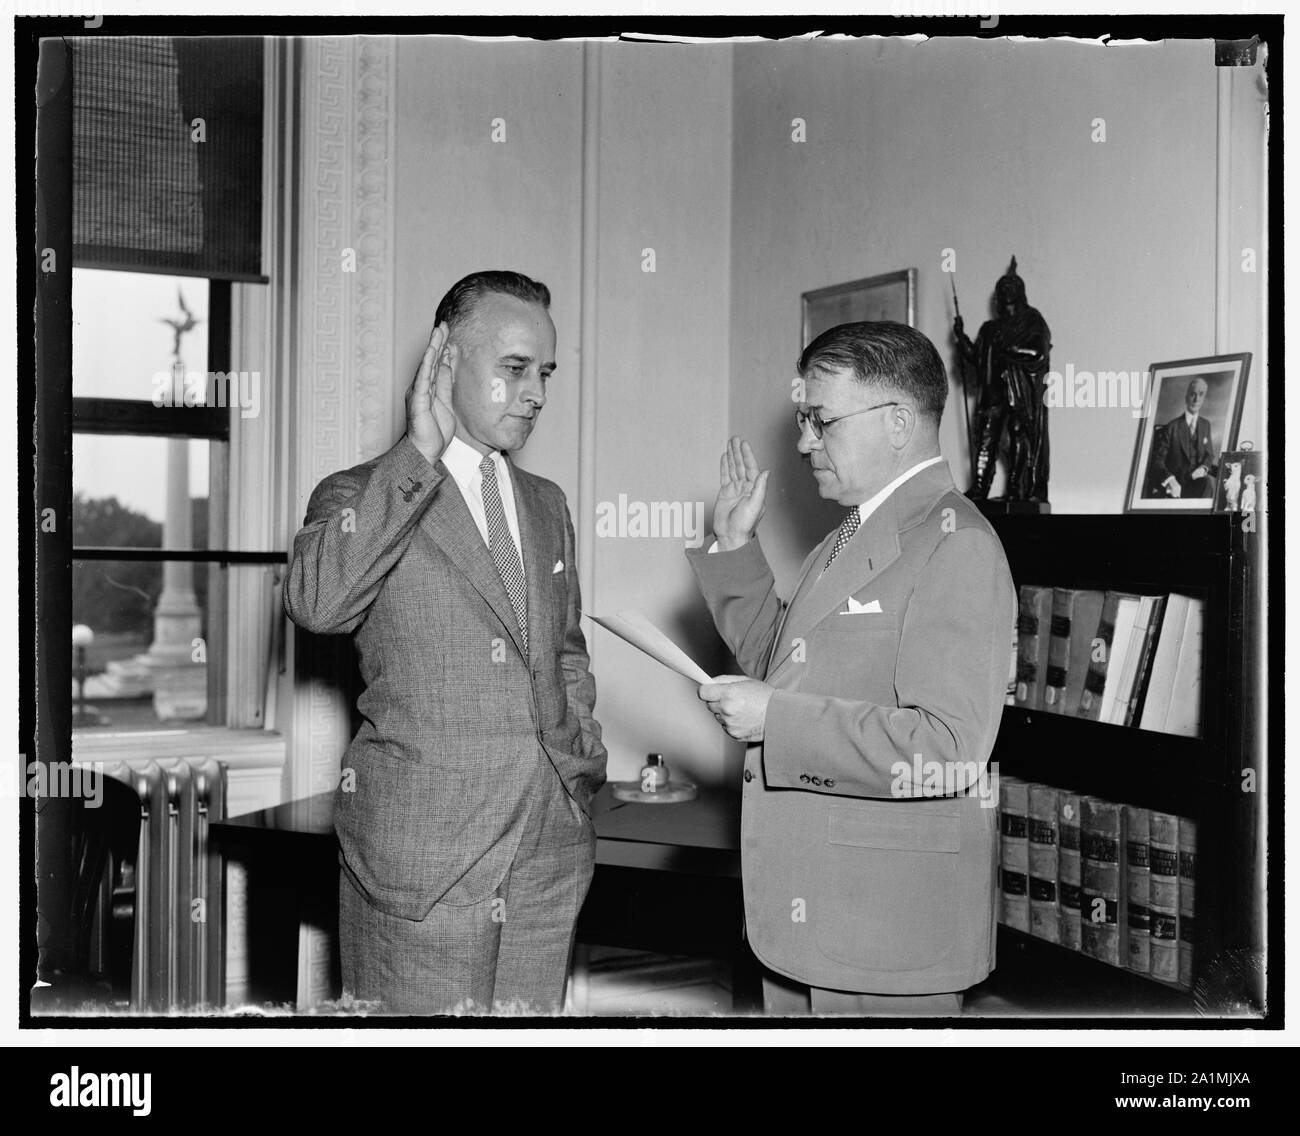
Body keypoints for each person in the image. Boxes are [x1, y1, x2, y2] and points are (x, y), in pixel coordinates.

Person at [284, 270, 606, 1014]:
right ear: (447, 359)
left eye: (546, 374)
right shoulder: (356, 492)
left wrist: (578, 764)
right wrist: (417, 458)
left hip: (547, 853)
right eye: (516, 369)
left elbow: (565, 651)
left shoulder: (547, 504)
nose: (537, 395)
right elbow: (317, 604)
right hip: (423, 861)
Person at [687, 321, 1016, 1015]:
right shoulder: (850, 537)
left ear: (898, 422)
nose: (804, 441)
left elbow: (949, 751)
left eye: (820, 420)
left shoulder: (957, 545)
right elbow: (786, 665)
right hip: (808, 912)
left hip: (884, 933)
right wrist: (736, 548)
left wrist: (776, 718)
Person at [953, 257, 1052, 501]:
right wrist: (961, 337)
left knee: (1019, 436)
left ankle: (1016, 490)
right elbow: (976, 359)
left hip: (1018, 393)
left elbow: (1038, 352)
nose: (1007, 292)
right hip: (992, 395)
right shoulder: (989, 329)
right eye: (1003, 288)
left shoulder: (1031, 320)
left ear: (1021, 292)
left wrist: (1007, 348)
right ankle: (979, 488)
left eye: (1012, 287)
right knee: (986, 441)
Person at [1151, 376, 1216, 498]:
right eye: (1193, 394)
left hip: (1197, 483)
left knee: (1208, 483)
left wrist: (1203, 468)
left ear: (1204, 399)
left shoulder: (1205, 425)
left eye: (1201, 395)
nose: (1196, 399)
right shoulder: (1172, 427)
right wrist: (1170, 479)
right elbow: (1157, 462)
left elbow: (1209, 454)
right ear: (1186, 397)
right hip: (1177, 485)